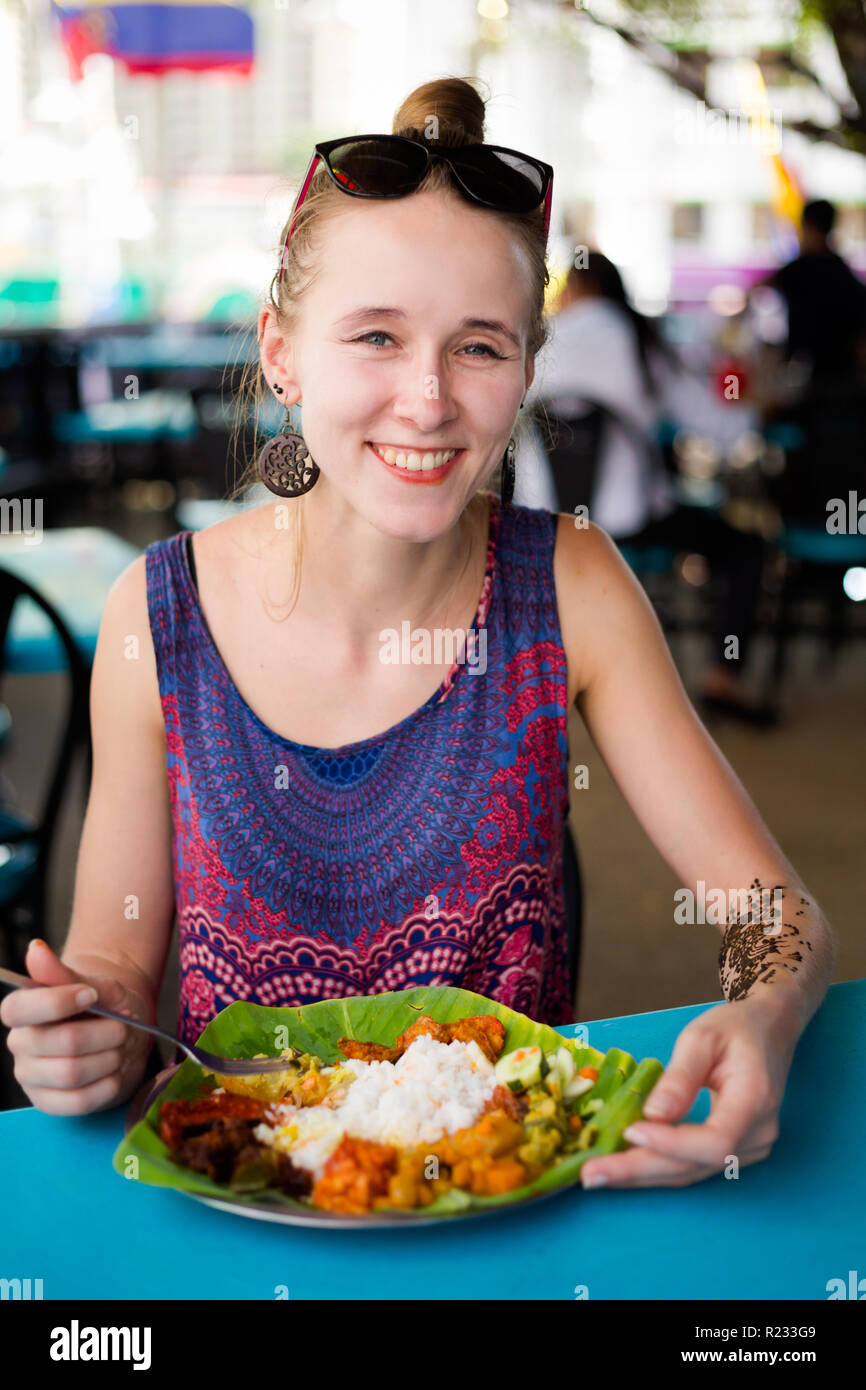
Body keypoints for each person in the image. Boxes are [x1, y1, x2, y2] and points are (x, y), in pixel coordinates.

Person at [1, 78, 834, 1191]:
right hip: (240, 1205)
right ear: (282, 351)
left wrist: (766, 1013)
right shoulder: (157, 616)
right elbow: (111, 958)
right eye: (376, 336)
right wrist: (86, 1032)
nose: (428, 398)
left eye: (479, 347)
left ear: (528, 370)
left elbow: (768, 912)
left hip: (495, 1207)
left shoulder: (569, 583)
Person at [516, 252, 772, 723]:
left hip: (542, 523)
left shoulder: (537, 343)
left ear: (570, 289)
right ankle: (722, 677)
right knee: (743, 549)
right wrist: (756, 414)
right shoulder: (640, 341)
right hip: (634, 523)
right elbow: (718, 425)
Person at [765, 199, 866, 387]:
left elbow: (758, 289)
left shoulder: (797, 271)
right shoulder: (844, 275)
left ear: (808, 227)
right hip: (845, 379)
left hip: (804, 378)